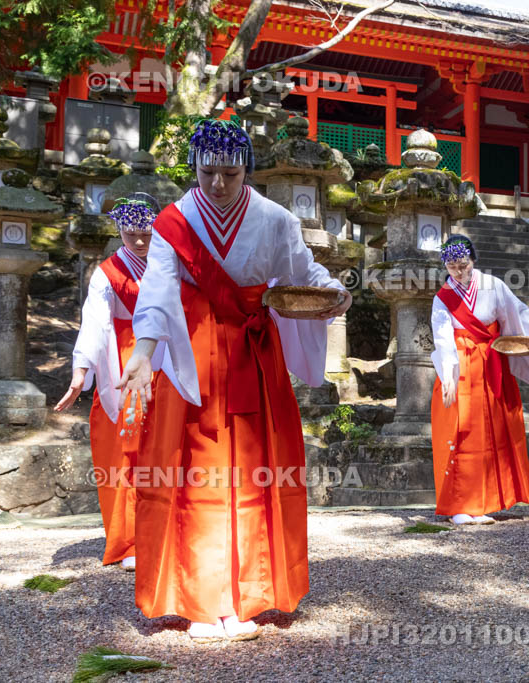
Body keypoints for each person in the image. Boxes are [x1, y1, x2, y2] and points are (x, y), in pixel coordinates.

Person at [117, 119, 352, 642]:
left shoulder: (275, 219)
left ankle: (251, 594)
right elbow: (156, 291)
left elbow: (301, 274)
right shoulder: (174, 221)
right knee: (196, 471)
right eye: (207, 172)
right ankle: (201, 600)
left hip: (253, 352)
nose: (218, 183)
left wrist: (336, 291)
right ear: (194, 168)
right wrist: (143, 351)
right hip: (193, 355)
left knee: (254, 469)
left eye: (230, 171)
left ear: (247, 168)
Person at [55, 194, 163, 570]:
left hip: (167, 358)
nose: (138, 242)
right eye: (131, 234)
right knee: (124, 453)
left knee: (168, 450)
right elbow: (96, 321)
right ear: (119, 230)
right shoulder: (108, 272)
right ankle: (129, 540)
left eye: (146, 234)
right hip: (124, 361)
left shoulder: (169, 264)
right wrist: (81, 370)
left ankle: (169, 533)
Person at [430, 235, 529, 525]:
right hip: (460, 366)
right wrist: (448, 375)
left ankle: (485, 501)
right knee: (462, 433)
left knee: (494, 432)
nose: (458, 272)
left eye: (463, 265)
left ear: (473, 261)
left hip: (491, 364)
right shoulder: (443, 296)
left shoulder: (493, 285)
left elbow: (516, 311)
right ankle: (459, 504)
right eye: (452, 266)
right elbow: (443, 337)